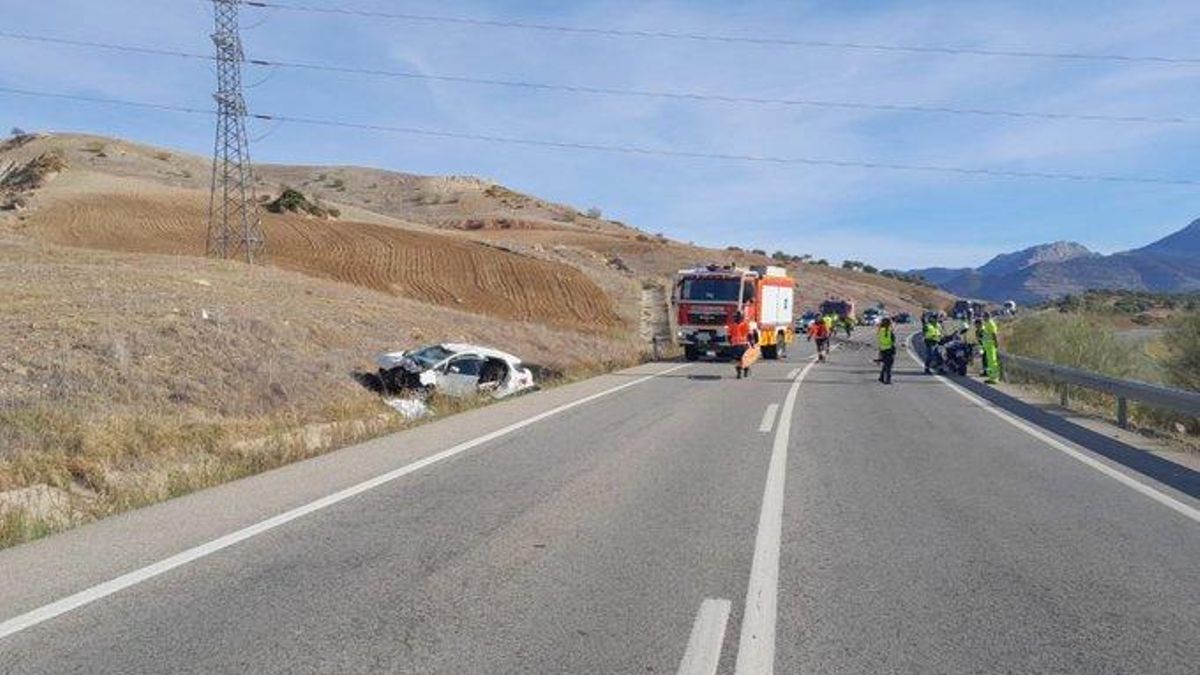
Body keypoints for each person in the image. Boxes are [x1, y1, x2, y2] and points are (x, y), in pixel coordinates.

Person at [730, 310, 756, 379]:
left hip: (735, 345)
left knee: (738, 360)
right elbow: (750, 335)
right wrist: (752, 344)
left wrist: (731, 344)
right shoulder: (745, 325)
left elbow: (729, 336)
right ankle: (745, 371)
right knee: (745, 359)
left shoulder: (732, 326)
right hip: (744, 345)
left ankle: (739, 373)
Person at [981, 311, 1001, 384]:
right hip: (987, 345)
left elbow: (994, 334)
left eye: (984, 316)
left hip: (991, 345)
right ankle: (991, 377)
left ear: (987, 316)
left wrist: (996, 343)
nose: (983, 318)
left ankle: (995, 378)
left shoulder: (991, 323)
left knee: (993, 361)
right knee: (990, 362)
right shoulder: (986, 323)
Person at [877, 317, 896, 384]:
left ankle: (881, 377)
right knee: (889, 366)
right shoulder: (889, 331)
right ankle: (888, 380)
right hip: (889, 349)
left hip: (882, 349)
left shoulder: (880, 330)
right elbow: (893, 340)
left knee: (885, 364)